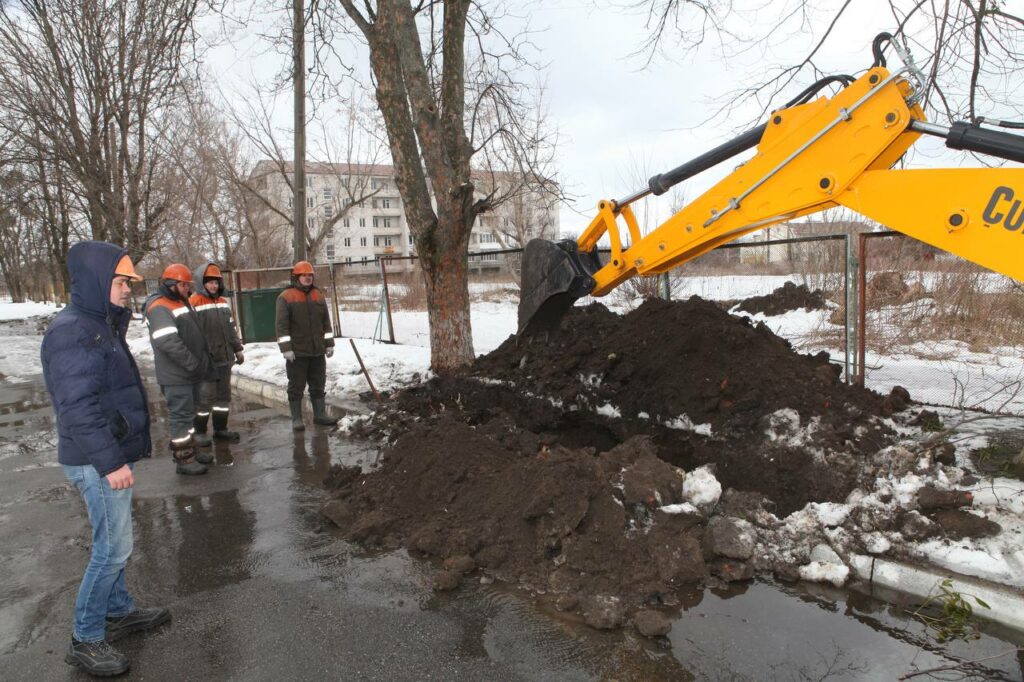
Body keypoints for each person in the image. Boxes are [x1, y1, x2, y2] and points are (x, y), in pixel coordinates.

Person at [40, 241, 170, 677]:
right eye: (119, 281)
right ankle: (86, 637)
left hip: (106, 455)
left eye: (127, 282)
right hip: (96, 461)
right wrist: (110, 463)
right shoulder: (74, 330)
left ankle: (118, 611)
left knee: (114, 543)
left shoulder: (98, 324)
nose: (126, 290)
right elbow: (77, 407)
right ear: (96, 279)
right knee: (113, 550)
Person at [144, 263, 215, 475]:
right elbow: (169, 343)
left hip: (188, 374)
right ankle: (184, 459)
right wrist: (192, 364)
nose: (188, 289)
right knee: (181, 418)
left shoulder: (178, 301)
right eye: (184, 285)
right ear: (172, 284)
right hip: (177, 375)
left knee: (189, 415)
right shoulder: (160, 307)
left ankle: (191, 450)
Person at [275, 260, 339, 430]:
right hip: (298, 352)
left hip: (317, 351)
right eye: (304, 275)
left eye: (310, 275)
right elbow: (281, 326)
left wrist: (329, 344)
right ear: (296, 277)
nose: (308, 278)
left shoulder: (318, 295)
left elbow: (325, 321)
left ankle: (320, 415)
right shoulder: (286, 297)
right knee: (296, 386)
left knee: (318, 384)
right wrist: (286, 349)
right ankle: (296, 419)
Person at [189, 262, 244, 444]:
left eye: (216, 282)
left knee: (223, 397)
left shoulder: (222, 302)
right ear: (201, 283)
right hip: (206, 361)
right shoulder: (194, 302)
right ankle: (200, 431)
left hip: (225, 359)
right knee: (205, 399)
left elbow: (230, 328)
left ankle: (221, 429)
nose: (214, 286)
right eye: (210, 282)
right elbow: (189, 334)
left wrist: (237, 349)